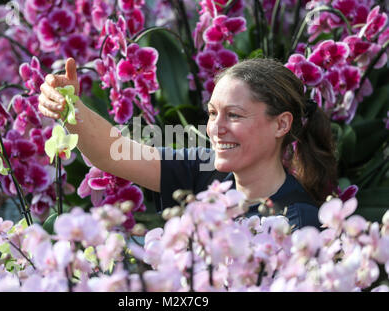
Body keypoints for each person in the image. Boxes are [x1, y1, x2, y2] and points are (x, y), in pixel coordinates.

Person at [38, 57, 337, 231]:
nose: (216, 129)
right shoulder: (207, 171)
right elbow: (112, 152)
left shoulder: (297, 221)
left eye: (233, 115)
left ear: (281, 124)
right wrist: (68, 106)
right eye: (212, 113)